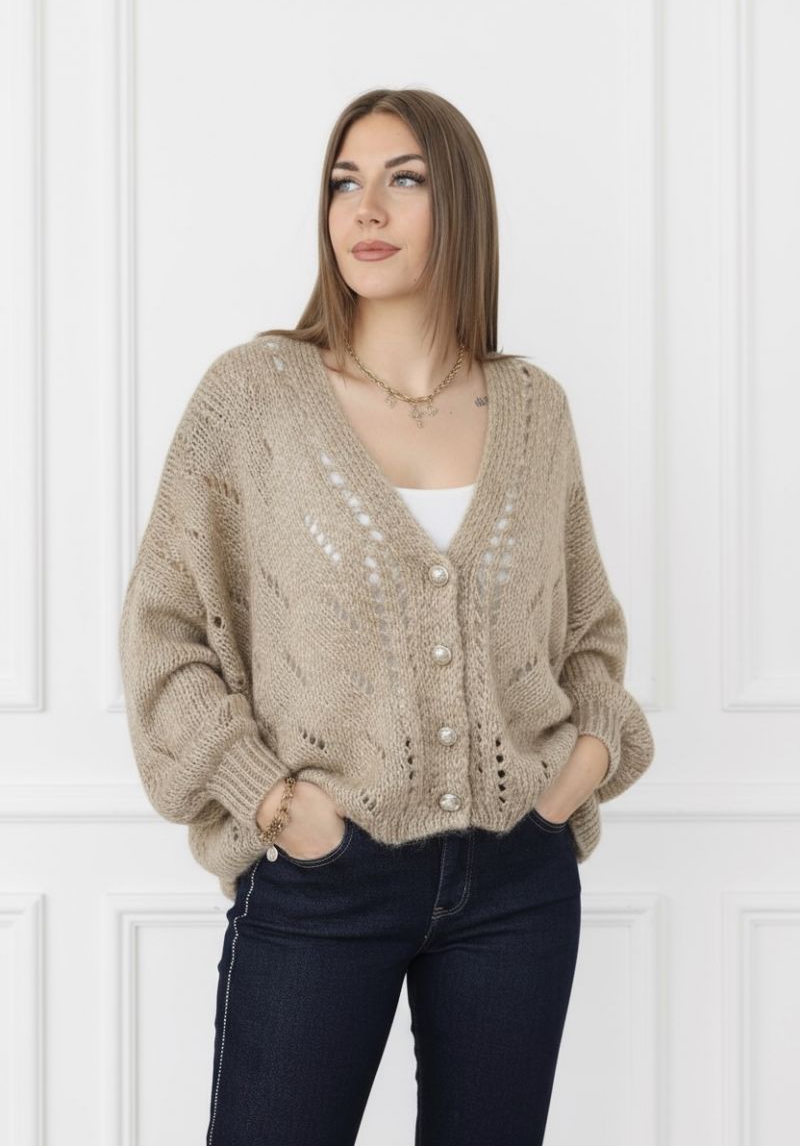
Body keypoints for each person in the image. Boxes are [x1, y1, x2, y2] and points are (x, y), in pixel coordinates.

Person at [118, 87, 655, 1146]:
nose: (365, 209)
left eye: (403, 180)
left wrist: (574, 775)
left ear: (459, 204)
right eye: (343, 183)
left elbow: (588, 633)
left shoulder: (533, 408)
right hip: (323, 878)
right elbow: (163, 633)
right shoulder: (255, 398)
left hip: (518, 880)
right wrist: (274, 803)